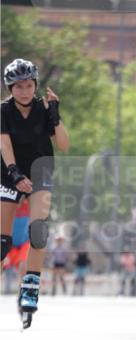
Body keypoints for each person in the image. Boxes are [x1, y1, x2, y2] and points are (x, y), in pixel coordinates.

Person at [0, 58, 70, 326]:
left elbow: (63, 145)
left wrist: (55, 115)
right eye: (18, 87)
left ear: (35, 85)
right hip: (9, 173)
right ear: (10, 88)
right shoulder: (3, 111)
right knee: (2, 242)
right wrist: (15, 173)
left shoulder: (44, 108)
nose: (24, 91)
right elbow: (4, 144)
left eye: (29, 85)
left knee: (38, 232)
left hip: (41, 172)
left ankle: (29, 291)